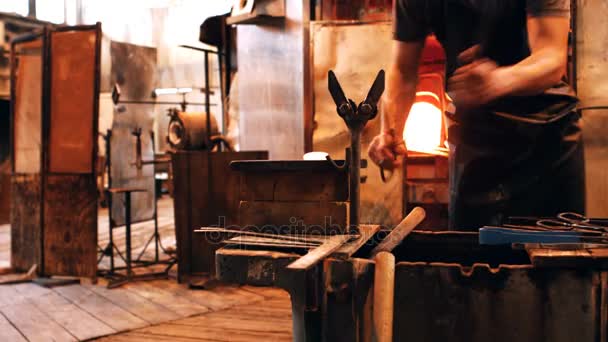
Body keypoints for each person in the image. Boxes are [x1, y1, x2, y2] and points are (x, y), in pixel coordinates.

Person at [368, 0, 585, 230]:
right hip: (475, 139)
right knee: (470, 255)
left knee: (556, 258)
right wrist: (391, 131)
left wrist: (497, 81)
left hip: (547, 140)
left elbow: (551, 57)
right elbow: (403, 69)